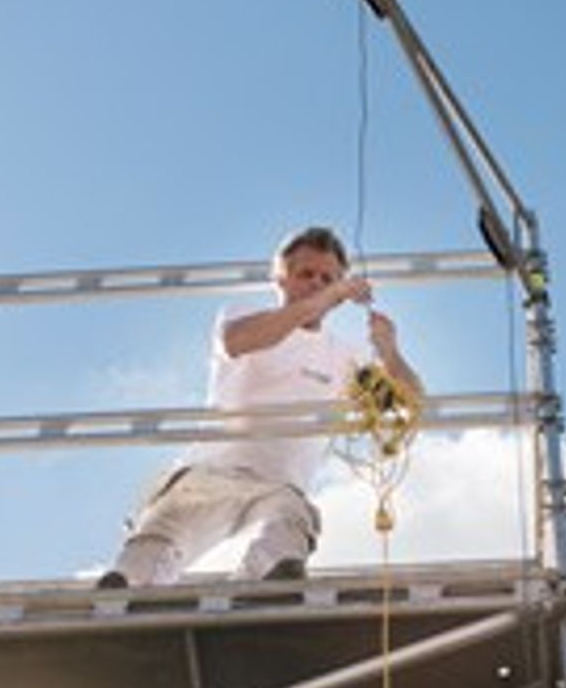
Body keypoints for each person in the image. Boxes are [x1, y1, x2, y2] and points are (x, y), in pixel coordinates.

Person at [97, 226, 424, 588]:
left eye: (327, 278)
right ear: (280, 278)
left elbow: (408, 407)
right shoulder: (243, 316)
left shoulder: (344, 357)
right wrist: (329, 294)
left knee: (286, 538)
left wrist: (390, 352)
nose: (317, 284)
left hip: (278, 488)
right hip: (211, 474)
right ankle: (128, 592)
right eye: (306, 274)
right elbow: (239, 341)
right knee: (150, 550)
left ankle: (259, 590)